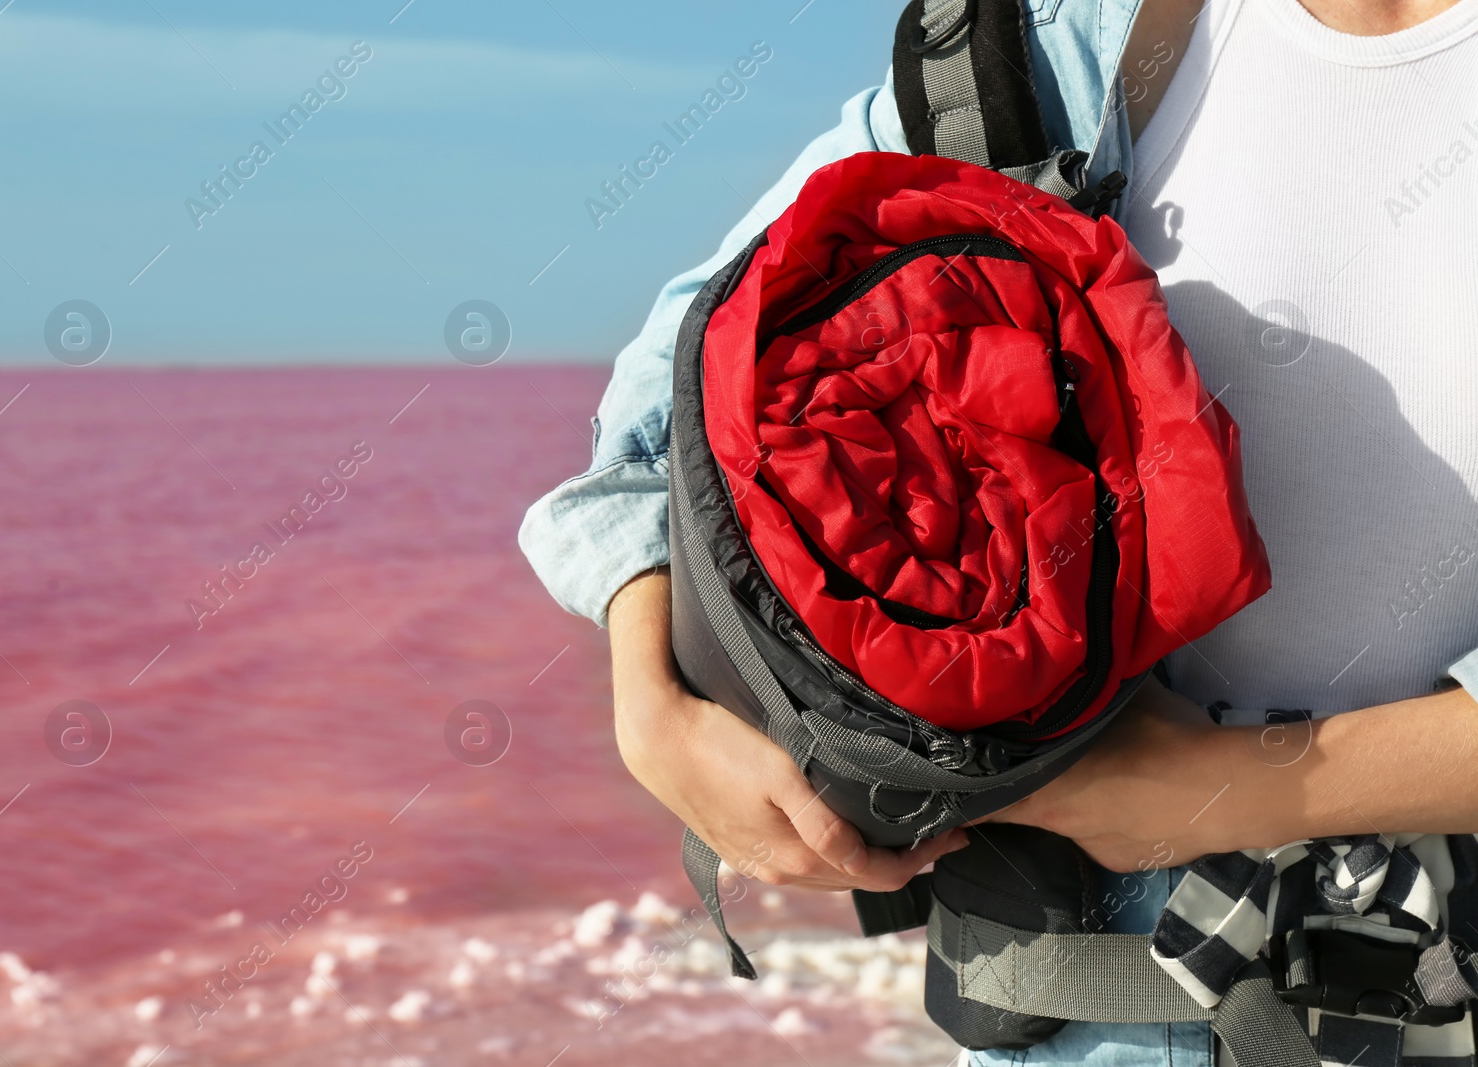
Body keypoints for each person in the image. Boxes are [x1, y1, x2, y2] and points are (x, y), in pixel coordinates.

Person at [520, 0, 1478, 1060]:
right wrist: (653, 709)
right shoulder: (1057, 48)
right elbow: (664, 413)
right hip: (1083, 1028)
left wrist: (1225, 790)